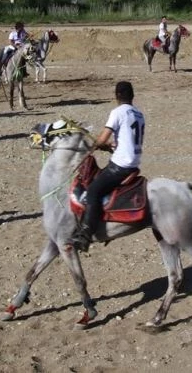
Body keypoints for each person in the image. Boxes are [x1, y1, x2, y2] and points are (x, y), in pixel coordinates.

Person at [72, 81, 145, 253]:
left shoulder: (117, 112)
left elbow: (102, 139)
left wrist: (98, 144)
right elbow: (127, 138)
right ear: (132, 96)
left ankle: (85, 236)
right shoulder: (139, 114)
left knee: (93, 191)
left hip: (120, 165)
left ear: (117, 96)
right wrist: (111, 145)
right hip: (133, 162)